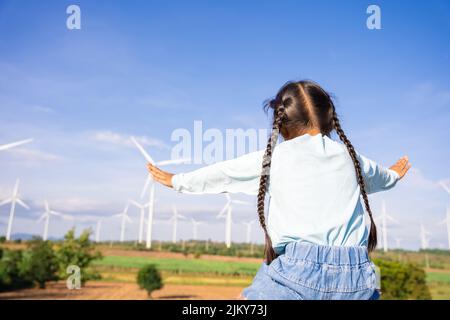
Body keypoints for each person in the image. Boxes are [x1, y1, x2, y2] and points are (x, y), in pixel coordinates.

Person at [147, 80, 411, 300]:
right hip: (359, 277)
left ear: (280, 121)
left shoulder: (276, 157)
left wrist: (178, 181)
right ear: (330, 120)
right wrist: (394, 175)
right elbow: (380, 177)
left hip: (298, 273)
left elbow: (224, 173)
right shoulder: (351, 157)